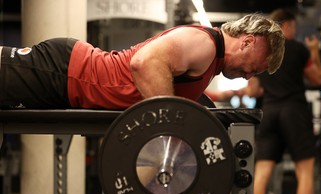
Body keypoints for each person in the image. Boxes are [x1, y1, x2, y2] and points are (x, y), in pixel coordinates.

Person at [0, 13, 285, 110]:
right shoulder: (206, 44)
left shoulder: (211, 60)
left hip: (70, 83)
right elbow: (144, 63)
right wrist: (169, 125)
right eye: (254, 68)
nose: (249, 78)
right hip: (65, 72)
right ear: (249, 41)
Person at [251, 8, 321, 194]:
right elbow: (317, 78)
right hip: (294, 111)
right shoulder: (298, 48)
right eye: (293, 26)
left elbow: (253, 91)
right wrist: (314, 50)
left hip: (269, 111)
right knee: (305, 171)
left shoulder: (265, 50)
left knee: (262, 172)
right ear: (288, 25)